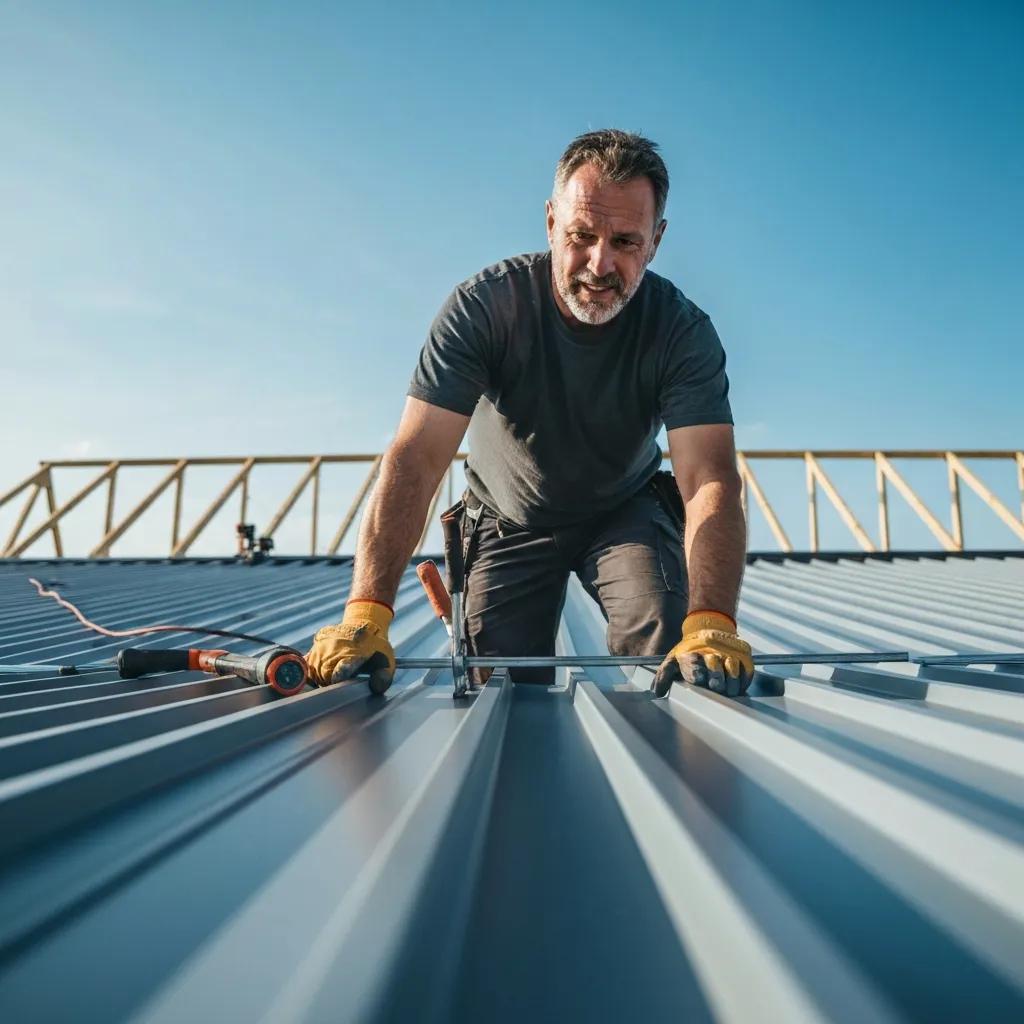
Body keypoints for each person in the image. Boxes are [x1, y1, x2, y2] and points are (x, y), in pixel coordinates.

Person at [306, 129, 753, 698]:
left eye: (625, 242)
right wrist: (367, 612)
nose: (599, 263)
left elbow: (709, 477)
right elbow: (417, 457)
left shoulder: (681, 332)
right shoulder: (486, 308)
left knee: (674, 653)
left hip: (623, 511)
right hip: (506, 517)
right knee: (498, 686)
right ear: (549, 222)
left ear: (657, 241)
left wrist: (712, 620)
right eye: (581, 236)